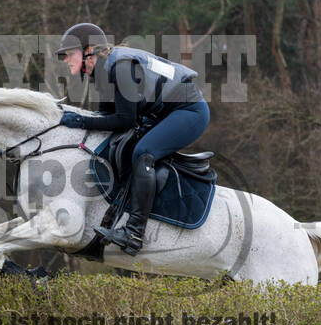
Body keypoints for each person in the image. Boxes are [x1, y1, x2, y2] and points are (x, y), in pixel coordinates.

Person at [56, 23, 210, 256]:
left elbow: (124, 120)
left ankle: (134, 232)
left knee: (143, 152)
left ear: (89, 50)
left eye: (69, 54)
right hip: (167, 112)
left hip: (190, 112)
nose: (66, 59)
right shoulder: (103, 71)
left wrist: (80, 121)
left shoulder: (120, 67)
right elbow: (106, 118)